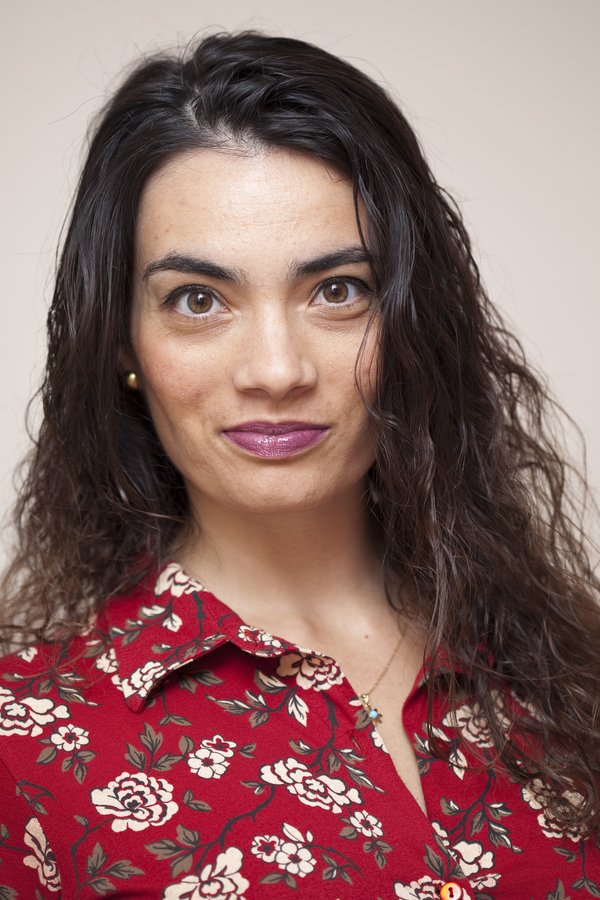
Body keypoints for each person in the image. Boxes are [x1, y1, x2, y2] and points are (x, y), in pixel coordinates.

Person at [0, 30, 598, 899]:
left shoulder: (571, 670)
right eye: (197, 300)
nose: (277, 371)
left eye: (338, 291)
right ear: (122, 342)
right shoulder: (22, 748)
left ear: (412, 321)